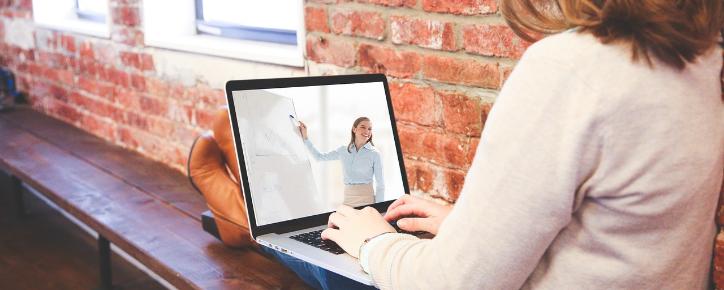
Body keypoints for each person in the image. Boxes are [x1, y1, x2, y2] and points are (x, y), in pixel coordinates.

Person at [317, 1, 724, 290]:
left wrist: (373, 242)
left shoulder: (570, 69)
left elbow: (452, 284)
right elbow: (620, 233)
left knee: (298, 261)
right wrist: (474, 229)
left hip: (376, 229)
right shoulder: (705, 61)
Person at [297, 117, 384, 207]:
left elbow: (380, 184)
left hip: (367, 201)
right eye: (363, 127)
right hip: (348, 200)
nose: (367, 131)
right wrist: (306, 138)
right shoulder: (343, 150)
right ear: (354, 129)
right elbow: (319, 157)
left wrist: (379, 207)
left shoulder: (375, 154)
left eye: (369, 129)